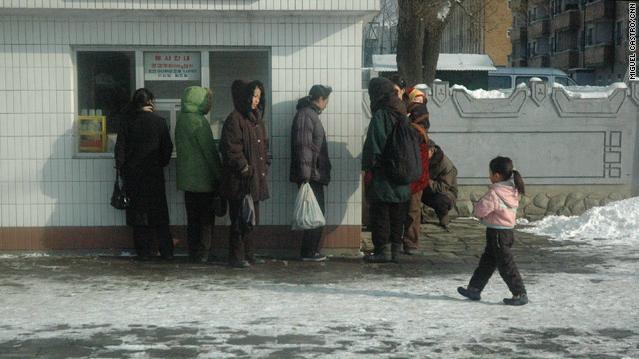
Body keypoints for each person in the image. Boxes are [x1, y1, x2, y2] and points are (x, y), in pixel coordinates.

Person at [457, 156, 528, 306]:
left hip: (497, 234)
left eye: (490, 173)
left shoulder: (495, 192)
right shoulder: (513, 190)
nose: (488, 176)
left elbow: (480, 210)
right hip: (505, 232)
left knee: (506, 265)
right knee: (487, 262)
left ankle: (519, 293)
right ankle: (474, 289)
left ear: (496, 175)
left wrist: (477, 209)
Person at [115, 88, 173, 260]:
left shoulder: (127, 122)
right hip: (154, 174)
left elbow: (120, 150)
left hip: (133, 176)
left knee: (139, 215)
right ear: (151, 102)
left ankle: (144, 252)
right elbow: (167, 149)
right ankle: (166, 251)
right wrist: (160, 163)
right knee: (160, 214)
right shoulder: (160, 122)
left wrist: (122, 169)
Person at [219, 80, 270, 268]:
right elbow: (231, 149)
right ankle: (237, 256)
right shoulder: (235, 119)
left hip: (255, 179)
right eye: (253, 96)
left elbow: (264, 146)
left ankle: (250, 254)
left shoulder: (257, 120)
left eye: (258, 96)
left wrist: (266, 163)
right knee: (240, 219)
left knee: (251, 219)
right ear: (245, 97)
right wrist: (244, 168)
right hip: (239, 181)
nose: (256, 100)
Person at [362, 77, 411, 263]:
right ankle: (396, 251)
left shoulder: (381, 115)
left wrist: (368, 166)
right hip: (403, 172)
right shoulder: (402, 111)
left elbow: (375, 145)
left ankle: (382, 250)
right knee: (398, 214)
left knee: (381, 213)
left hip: (384, 175)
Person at [175, 86, 222, 263]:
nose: (209, 104)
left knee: (192, 220)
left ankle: (193, 252)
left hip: (187, 181)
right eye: (207, 101)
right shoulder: (199, 122)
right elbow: (209, 153)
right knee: (206, 221)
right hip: (203, 181)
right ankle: (204, 253)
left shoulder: (182, 120)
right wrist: (219, 175)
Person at [290, 84, 333, 261]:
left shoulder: (309, 114)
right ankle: (308, 252)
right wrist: (306, 176)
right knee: (315, 213)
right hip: (311, 174)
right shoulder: (307, 115)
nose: (327, 104)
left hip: (313, 173)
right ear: (321, 99)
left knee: (315, 213)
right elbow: (304, 147)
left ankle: (310, 251)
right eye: (327, 100)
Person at [403, 102, 430, 254]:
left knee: (410, 211)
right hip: (420, 176)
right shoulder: (422, 131)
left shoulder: (413, 131)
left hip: (412, 176)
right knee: (413, 211)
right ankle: (410, 241)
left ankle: (410, 242)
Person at [422, 140, 458, 230]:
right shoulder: (422, 159)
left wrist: (425, 180)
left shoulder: (446, 165)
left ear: (432, 150)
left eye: (424, 151)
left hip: (446, 193)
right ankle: (418, 218)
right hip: (427, 188)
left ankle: (444, 218)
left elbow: (442, 187)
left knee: (441, 200)